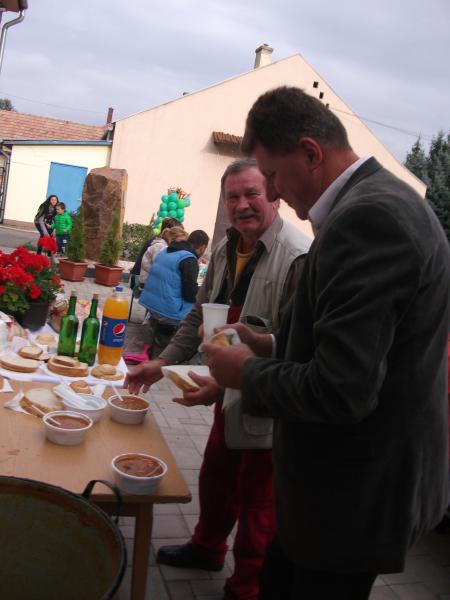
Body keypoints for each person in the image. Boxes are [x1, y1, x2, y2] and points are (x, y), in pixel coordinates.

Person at [202, 87, 450, 600]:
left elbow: (343, 389)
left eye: (272, 176)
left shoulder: (370, 218)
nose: (272, 192)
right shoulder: (371, 203)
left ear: (311, 153)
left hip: (350, 499)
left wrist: (244, 373)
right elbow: (356, 343)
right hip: (331, 494)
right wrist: (268, 345)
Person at [126, 158, 311, 600]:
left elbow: (297, 350)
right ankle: (207, 549)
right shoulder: (228, 247)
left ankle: (246, 588)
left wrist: (228, 383)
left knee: (258, 505)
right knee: (215, 478)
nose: (242, 204)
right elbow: (199, 315)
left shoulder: (298, 258)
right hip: (227, 395)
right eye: (233, 196)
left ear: (274, 196)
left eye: (252, 194)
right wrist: (162, 362)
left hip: (268, 407)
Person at [139, 229, 209, 358]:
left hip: (152, 307)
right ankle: (184, 357)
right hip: (169, 313)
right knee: (200, 315)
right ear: (202, 248)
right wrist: (202, 290)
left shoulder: (166, 251)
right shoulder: (189, 260)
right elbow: (189, 295)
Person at [130, 216, 183, 282]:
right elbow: (159, 266)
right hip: (140, 278)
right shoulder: (159, 245)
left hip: (140, 277)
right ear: (169, 232)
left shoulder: (157, 241)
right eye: (177, 235)